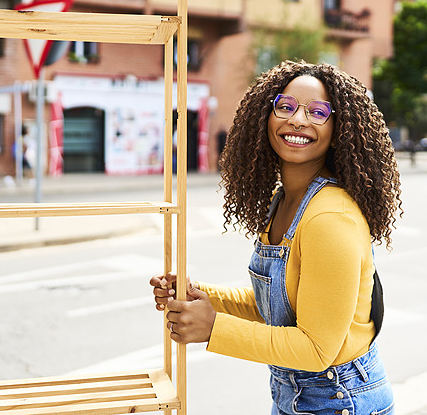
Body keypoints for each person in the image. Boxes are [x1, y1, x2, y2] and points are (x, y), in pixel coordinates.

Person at [150, 60, 402, 415]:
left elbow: (316, 348)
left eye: (318, 112)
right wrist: (201, 296)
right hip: (306, 397)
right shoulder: (283, 201)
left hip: (339, 400)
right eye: (285, 107)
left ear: (339, 129)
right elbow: (280, 308)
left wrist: (213, 328)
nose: (298, 120)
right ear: (264, 118)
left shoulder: (330, 218)